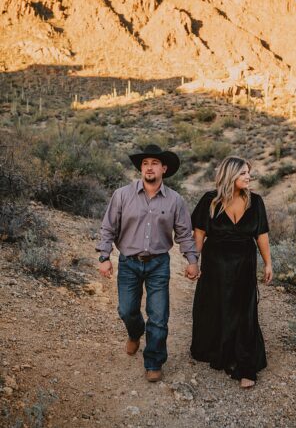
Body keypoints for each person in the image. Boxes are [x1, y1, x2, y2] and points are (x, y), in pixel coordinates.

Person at [96, 144, 199, 383]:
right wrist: (104, 257)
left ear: (164, 168)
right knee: (126, 310)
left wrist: (192, 260)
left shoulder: (175, 200)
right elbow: (108, 227)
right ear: (141, 169)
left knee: (159, 316)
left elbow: (184, 234)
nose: (149, 167)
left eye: (154, 163)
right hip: (129, 262)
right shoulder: (122, 194)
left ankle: (153, 361)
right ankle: (135, 332)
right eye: (145, 163)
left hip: (158, 264)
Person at [190, 157, 272, 388]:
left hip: (244, 264)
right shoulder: (210, 200)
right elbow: (199, 235)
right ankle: (220, 351)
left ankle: (246, 365)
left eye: (248, 173)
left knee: (244, 310)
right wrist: (192, 261)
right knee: (216, 307)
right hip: (215, 265)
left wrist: (268, 263)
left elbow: (261, 235)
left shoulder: (255, 202)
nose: (248, 177)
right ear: (230, 175)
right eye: (243, 173)